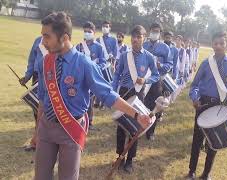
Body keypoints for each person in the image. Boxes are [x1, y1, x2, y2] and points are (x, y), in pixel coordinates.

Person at [34, 12, 151, 180]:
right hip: (46, 128)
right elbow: (43, 100)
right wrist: (37, 131)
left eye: (47, 36)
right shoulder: (45, 62)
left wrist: (137, 114)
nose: (43, 42)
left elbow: (107, 95)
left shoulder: (84, 64)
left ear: (64, 37)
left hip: (71, 129)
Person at [186, 31, 227, 180]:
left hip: (220, 107)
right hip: (203, 105)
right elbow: (194, 85)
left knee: (214, 142)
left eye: (221, 43)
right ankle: (191, 171)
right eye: (215, 43)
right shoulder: (206, 63)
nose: (218, 46)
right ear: (212, 45)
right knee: (197, 140)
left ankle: (206, 174)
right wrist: (195, 98)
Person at [112, 25, 160, 173]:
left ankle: (130, 160)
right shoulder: (124, 55)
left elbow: (156, 75)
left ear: (144, 38)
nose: (135, 39)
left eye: (139, 37)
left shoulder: (149, 57)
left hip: (139, 94)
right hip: (125, 93)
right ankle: (120, 156)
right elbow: (117, 75)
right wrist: (113, 92)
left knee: (135, 127)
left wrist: (145, 81)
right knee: (121, 127)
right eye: (133, 36)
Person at [143, 22, 173, 141]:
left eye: (157, 31)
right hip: (144, 80)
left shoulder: (165, 48)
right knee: (143, 104)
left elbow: (170, 64)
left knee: (155, 105)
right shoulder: (144, 45)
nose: (154, 33)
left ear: (160, 34)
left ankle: (151, 131)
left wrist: (161, 65)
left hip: (157, 81)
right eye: (152, 31)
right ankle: (142, 127)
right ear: (149, 31)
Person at [76, 21, 108, 130]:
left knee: (90, 100)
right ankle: (79, 120)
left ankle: (89, 122)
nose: (86, 33)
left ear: (94, 32)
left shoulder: (99, 47)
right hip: (80, 78)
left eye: (89, 32)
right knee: (80, 98)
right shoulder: (79, 46)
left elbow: (104, 62)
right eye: (85, 31)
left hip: (92, 77)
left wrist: (95, 67)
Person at [19, 36, 48, 151]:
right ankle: (36, 140)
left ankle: (44, 142)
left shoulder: (57, 40)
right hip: (37, 77)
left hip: (50, 76)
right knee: (37, 111)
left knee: (47, 112)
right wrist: (27, 76)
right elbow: (32, 60)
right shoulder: (38, 40)